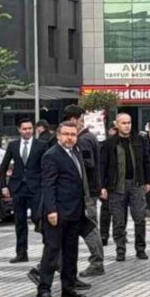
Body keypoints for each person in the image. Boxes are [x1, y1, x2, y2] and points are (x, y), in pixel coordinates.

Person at [35, 122, 89, 297]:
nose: (69, 138)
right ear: (58, 135)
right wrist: (51, 210)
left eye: (73, 134)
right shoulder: (51, 155)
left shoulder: (75, 152)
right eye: (65, 134)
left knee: (70, 252)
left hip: (74, 212)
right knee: (52, 252)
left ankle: (68, 287)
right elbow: (48, 184)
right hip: (57, 212)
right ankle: (43, 290)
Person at [98, 113, 150, 261]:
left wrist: (148, 181)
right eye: (123, 123)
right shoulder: (109, 144)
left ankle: (140, 249)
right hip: (116, 187)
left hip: (136, 184)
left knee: (140, 217)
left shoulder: (139, 141)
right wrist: (102, 187)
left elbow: (147, 161)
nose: (127, 125)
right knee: (118, 220)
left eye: (129, 122)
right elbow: (102, 166)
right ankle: (120, 250)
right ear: (117, 125)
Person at [62, 106, 104, 278]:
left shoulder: (84, 140)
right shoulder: (87, 138)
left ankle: (97, 262)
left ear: (73, 120)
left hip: (86, 193)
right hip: (86, 192)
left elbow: (89, 164)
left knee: (89, 228)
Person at [0, 119, 46, 264]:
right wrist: (3, 186)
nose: (27, 131)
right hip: (18, 187)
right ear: (19, 130)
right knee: (19, 222)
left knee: (39, 219)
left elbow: (46, 166)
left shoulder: (41, 145)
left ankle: (48, 251)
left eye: (30, 128)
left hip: (36, 187)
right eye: (24, 129)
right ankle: (21, 253)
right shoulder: (13, 145)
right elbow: (4, 166)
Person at [99, 123, 117, 245]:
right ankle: (104, 235)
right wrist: (102, 186)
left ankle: (120, 234)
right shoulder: (106, 144)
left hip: (122, 184)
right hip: (109, 183)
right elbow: (102, 166)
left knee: (119, 212)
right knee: (106, 210)